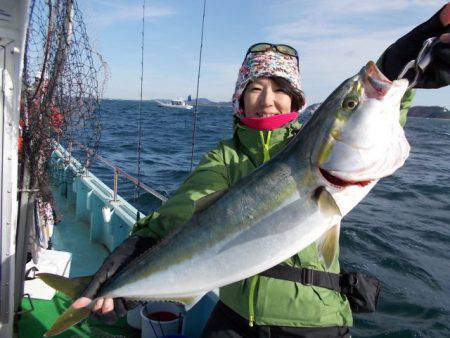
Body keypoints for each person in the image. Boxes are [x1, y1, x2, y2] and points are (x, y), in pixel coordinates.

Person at [73, 4, 450, 337]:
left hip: (316, 319)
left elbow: (375, 110)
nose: (267, 100)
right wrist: (133, 255)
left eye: (280, 88)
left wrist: (409, 61)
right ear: (240, 98)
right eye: (254, 87)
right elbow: (183, 210)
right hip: (233, 319)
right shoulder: (226, 157)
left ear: (296, 98)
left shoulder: (312, 144)